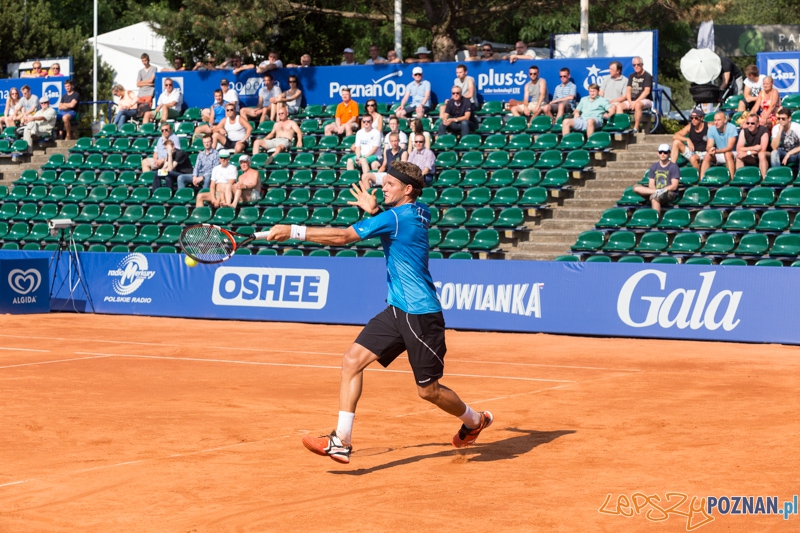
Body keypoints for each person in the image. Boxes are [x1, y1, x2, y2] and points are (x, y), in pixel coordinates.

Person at [264, 161, 493, 465]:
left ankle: (475, 421)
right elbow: (396, 228)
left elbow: (343, 237)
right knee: (352, 360)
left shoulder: (396, 217)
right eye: (384, 182)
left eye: (390, 184)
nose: (383, 187)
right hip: (397, 309)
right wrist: (374, 212)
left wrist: (293, 231)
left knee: (429, 392)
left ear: (407, 189)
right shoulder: (420, 211)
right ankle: (341, 441)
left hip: (420, 315)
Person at [633, 144, 680, 214]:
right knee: (636, 187)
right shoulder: (654, 166)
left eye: (665, 152)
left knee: (654, 198)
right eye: (660, 152)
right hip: (655, 191)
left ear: (669, 153)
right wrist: (657, 191)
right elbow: (651, 184)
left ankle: (656, 219)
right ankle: (657, 192)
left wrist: (663, 190)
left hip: (669, 193)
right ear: (658, 153)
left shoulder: (674, 167)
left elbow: (674, 186)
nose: (662, 154)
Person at [612, 56, 652, 132]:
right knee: (619, 106)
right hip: (632, 100)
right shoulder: (632, 76)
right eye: (634, 65)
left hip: (645, 100)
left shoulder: (647, 76)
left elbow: (646, 92)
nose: (636, 66)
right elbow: (628, 91)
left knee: (637, 105)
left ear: (642, 65)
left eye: (638, 64)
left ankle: (635, 128)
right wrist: (630, 102)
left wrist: (636, 102)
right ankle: (622, 127)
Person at [700, 111, 737, 180]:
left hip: (733, 153)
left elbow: (729, 147)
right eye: (715, 120)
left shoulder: (732, 127)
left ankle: (731, 180)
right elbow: (709, 145)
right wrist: (710, 150)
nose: (716, 122)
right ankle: (702, 180)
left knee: (727, 154)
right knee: (707, 155)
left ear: (725, 120)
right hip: (719, 153)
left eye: (719, 120)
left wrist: (716, 151)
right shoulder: (711, 129)